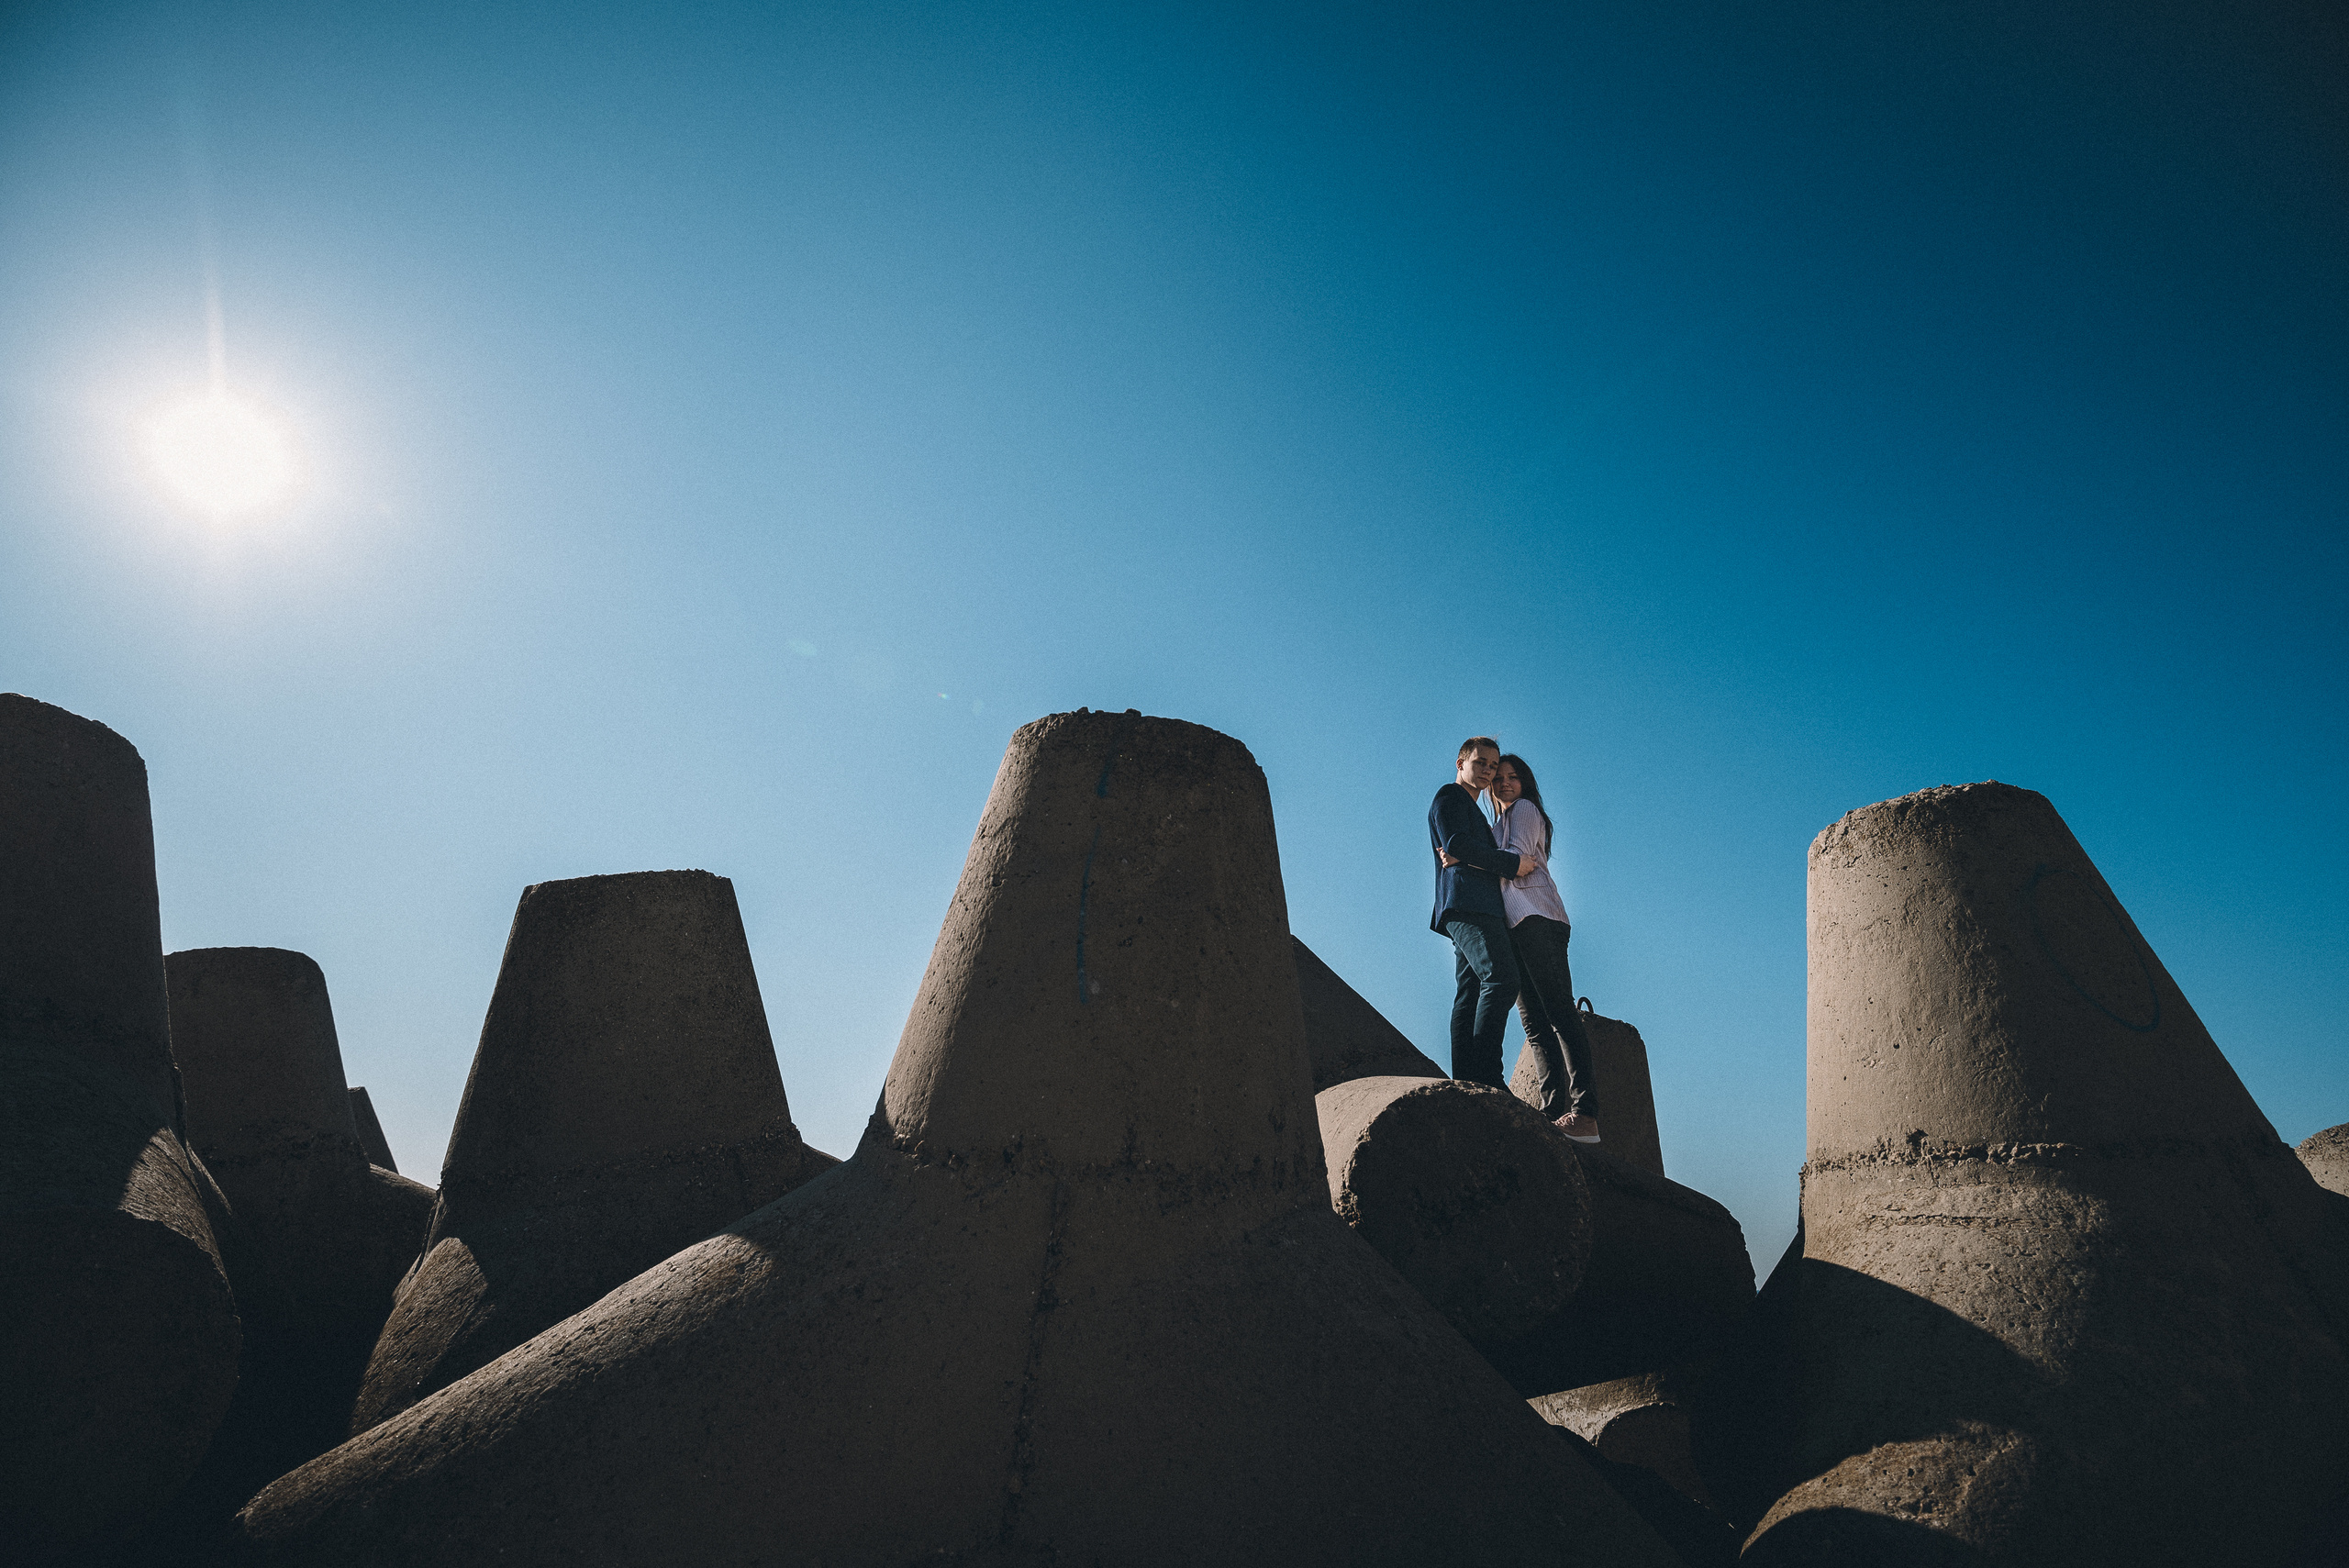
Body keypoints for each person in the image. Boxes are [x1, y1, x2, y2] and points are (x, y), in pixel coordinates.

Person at [1489, 753, 1602, 1143]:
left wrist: (1469, 857)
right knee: (1535, 1025)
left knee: (1560, 1013)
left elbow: (1517, 856)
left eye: (1513, 777)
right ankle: (1553, 1110)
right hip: (1516, 926)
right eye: (1498, 778)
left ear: (1525, 783)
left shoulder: (1524, 809)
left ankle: (1585, 1114)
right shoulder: (1497, 823)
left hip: (1539, 918)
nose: (1505, 783)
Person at [1428, 737, 1535, 1088]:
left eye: (1493, 765)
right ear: (1461, 764)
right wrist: (1513, 864)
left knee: (1471, 990)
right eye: (1480, 763)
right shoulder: (1450, 796)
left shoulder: (1473, 809)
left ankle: (1467, 1081)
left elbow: (1463, 848)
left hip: (1471, 905)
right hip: (1468, 903)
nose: (1488, 770)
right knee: (1502, 979)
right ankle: (1487, 1076)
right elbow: (1457, 844)